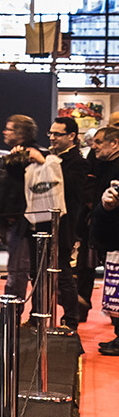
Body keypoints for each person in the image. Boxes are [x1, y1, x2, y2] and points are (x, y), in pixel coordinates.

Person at [0, 114, 45, 326]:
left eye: (9, 129)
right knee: (18, 270)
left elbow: (23, 190)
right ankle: (16, 313)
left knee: (18, 271)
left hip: (22, 223)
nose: (5, 132)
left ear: (21, 133)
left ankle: (14, 315)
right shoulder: (17, 155)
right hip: (12, 222)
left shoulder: (30, 156)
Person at [48, 116, 89, 329]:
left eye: (57, 134)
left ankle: (71, 319)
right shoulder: (50, 158)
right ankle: (41, 316)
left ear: (71, 136)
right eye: (51, 133)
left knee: (62, 273)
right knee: (41, 274)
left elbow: (70, 189)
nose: (53, 138)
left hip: (64, 226)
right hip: (44, 224)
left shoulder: (79, 163)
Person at [83, 127, 119, 354]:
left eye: (98, 142)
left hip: (114, 236)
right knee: (114, 294)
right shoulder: (102, 166)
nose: (93, 146)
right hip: (109, 237)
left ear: (114, 144)